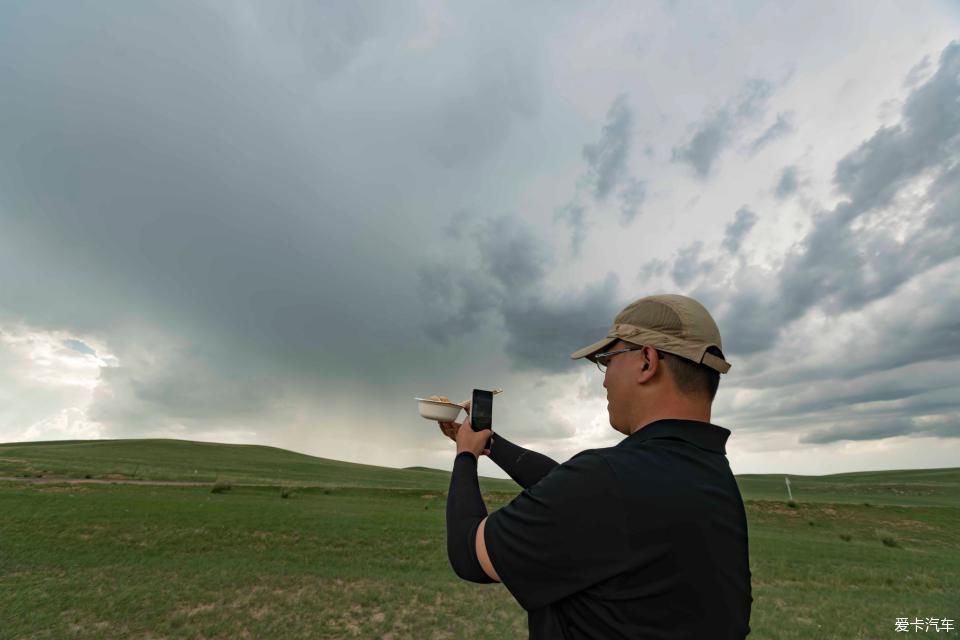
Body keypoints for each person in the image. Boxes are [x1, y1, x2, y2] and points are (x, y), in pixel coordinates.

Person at [440, 293, 753, 639]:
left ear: (647, 361)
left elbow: (468, 553)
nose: (603, 379)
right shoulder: (711, 475)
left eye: (607, 359)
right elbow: (571, 492)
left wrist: (465, 456)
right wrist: (490, 443)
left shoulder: (607, 481)